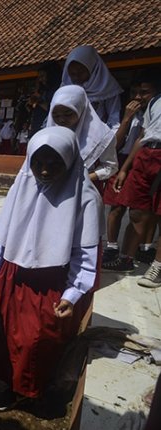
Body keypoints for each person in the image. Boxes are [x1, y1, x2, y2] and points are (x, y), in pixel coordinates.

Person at [0, 126, 102, 412]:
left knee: (37, 340)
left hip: (51, 281)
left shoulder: (85, 198)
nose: (44, 171)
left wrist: (72, 295)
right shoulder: (22, 186)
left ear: (70, 161)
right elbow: (5, 233)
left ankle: (31, 388)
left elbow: (85, 254)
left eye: (54, 164)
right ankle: (12, 385)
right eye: (38, 163)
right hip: (14, 275)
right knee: (7, 332)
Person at [106, 72, 161, 286]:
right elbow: (143, 137)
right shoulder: (153, 105)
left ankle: (157, 267)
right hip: (146, 155)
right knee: (136, 210)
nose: (139, 97)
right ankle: (126, 259)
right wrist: (124, 169)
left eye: (145, 92)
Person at [103, 81, 150, 264]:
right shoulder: (125, 114)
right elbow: (116, 142)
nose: (137, 97)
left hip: (140, 162)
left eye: (143, 93)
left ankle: (134, 251)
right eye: (134, 92)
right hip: (121, 159)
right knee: (116, 206)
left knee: (138, 211)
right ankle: (112, 247)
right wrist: (126, 118)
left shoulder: (152, 115)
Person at [46, 85, 118, 191]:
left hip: (84, 189)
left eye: (68, 114)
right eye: (56, 115)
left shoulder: (102, 135)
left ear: (81, 108)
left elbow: (110, 167)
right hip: (53, 187)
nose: (61, 120)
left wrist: (83, 178)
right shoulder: (48, 133)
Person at [61, 45, 123, 129]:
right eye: (72, 74)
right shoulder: (64, 89)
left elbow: (114, 120)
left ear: (93, 69)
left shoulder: (107, 87)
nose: (76, 77)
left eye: (81, 72)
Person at [28, 61, 63, 138]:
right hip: (38, 131)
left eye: (43, 76)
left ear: (52, 75)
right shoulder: (43, 91)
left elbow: (55, 111)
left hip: (50, 132)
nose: (40, 80)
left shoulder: (59, 92)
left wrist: (39, 101)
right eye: (39, 77)